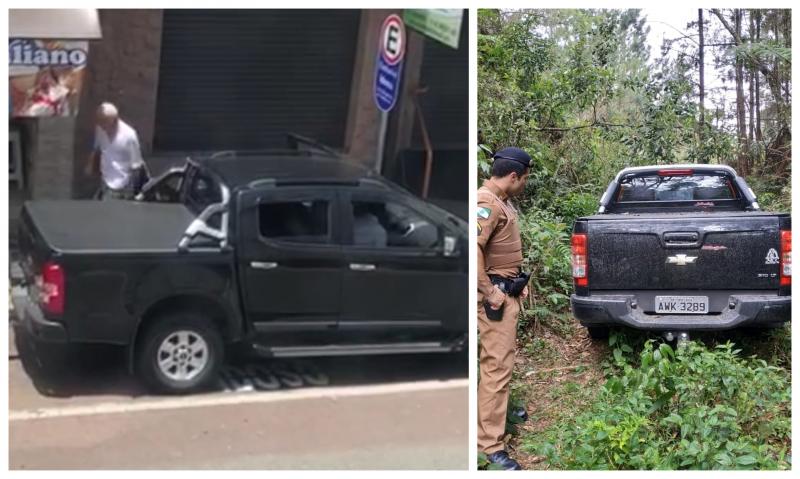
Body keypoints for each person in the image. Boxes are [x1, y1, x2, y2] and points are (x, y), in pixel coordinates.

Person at [477, 147, 532, 470]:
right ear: (513, 176)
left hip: (506, 291)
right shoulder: (485, 203)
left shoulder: (502, 201)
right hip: (493, 298)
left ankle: (500, 411)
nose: (524, 184)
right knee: (495, 369)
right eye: (524, 179)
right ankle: (490, 446)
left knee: (502, 362)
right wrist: (489, 291)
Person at [85, 102, 147, 200]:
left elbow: (137, 166)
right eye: (100, 123)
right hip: (106, 182)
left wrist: (134, 192)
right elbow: (97, 147)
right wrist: (90, 164)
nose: (102, 127)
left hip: (123, 185)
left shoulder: (129, 136)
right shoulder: (100, 129)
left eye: (104, 124)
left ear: (114, 121)